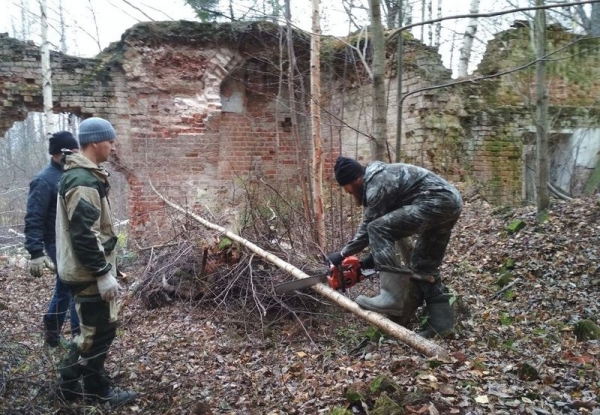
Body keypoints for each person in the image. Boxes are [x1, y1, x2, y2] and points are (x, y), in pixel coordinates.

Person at [328, 156, 463, 338]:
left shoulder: (377, 183)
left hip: (435, 202)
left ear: (355, 179)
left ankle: (391, 296)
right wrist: (374, 258)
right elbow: (396, 224)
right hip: (451, 202)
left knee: (376, 228)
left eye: (348, 189)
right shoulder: (382, 178)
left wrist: (343, 253)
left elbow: (371, 227)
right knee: (424, 266)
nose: (348, 193)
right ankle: (442, 325)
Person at [55, 117, 137, 406]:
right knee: (94, 333)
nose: (113, 147)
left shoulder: (87, 175)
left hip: (88, 269)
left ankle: (83, 383)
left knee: (99, 330)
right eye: (110, 141)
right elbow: (84, 234)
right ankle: (89, 389)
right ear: (94, 142)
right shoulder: (82, 179)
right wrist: (102, 273)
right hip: (87, 271)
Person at [24, 131, 81, 347]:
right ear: (61, 153)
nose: (77, 156)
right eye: (73, 152)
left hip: (72, 240)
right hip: (55, 242)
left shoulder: (70, 173)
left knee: (65, 287)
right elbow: (34, 217)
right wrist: (36, 253)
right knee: (75, 285)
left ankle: (52, 330)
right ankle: (78, 339)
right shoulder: (43, 180)